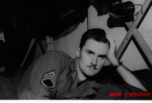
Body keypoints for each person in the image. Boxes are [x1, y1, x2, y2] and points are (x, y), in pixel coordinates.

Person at [16, 28, 152, 99]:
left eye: (101, 57)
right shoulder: (56, 59)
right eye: (90, 53)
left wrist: (114, 61)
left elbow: (143, 95)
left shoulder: (96, 88)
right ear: (78, 52)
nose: (94, 62)